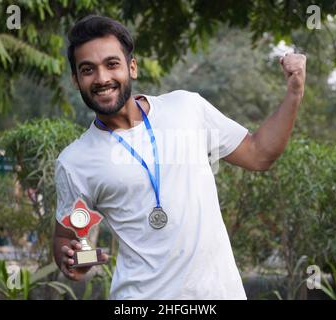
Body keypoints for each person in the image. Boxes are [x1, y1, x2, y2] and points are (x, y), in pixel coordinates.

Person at [53, 15, 306, 300]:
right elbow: (68, 241)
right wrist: (75, 261)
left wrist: (294, 93)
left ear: (132, 67)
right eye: (88, 70)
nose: (102, 78)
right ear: (76, 80)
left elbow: (260, 155)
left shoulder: (187, 108)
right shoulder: (75, 162)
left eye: (112, 64)